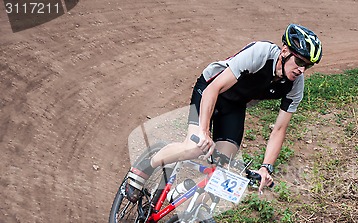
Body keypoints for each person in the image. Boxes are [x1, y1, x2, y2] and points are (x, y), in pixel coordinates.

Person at [125, 23, 323, 203]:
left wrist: (266, 167)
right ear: (285, 51)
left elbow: (279, 129)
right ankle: (143, 168)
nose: (302, 69)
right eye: (299, 61)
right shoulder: (261, 53)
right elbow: (214, 89)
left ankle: (175, 222)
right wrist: (203, 131)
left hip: (234, 106)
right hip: (210, 89)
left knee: (221, 172)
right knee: (195, 146)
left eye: (307, 65)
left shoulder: (295, 85)